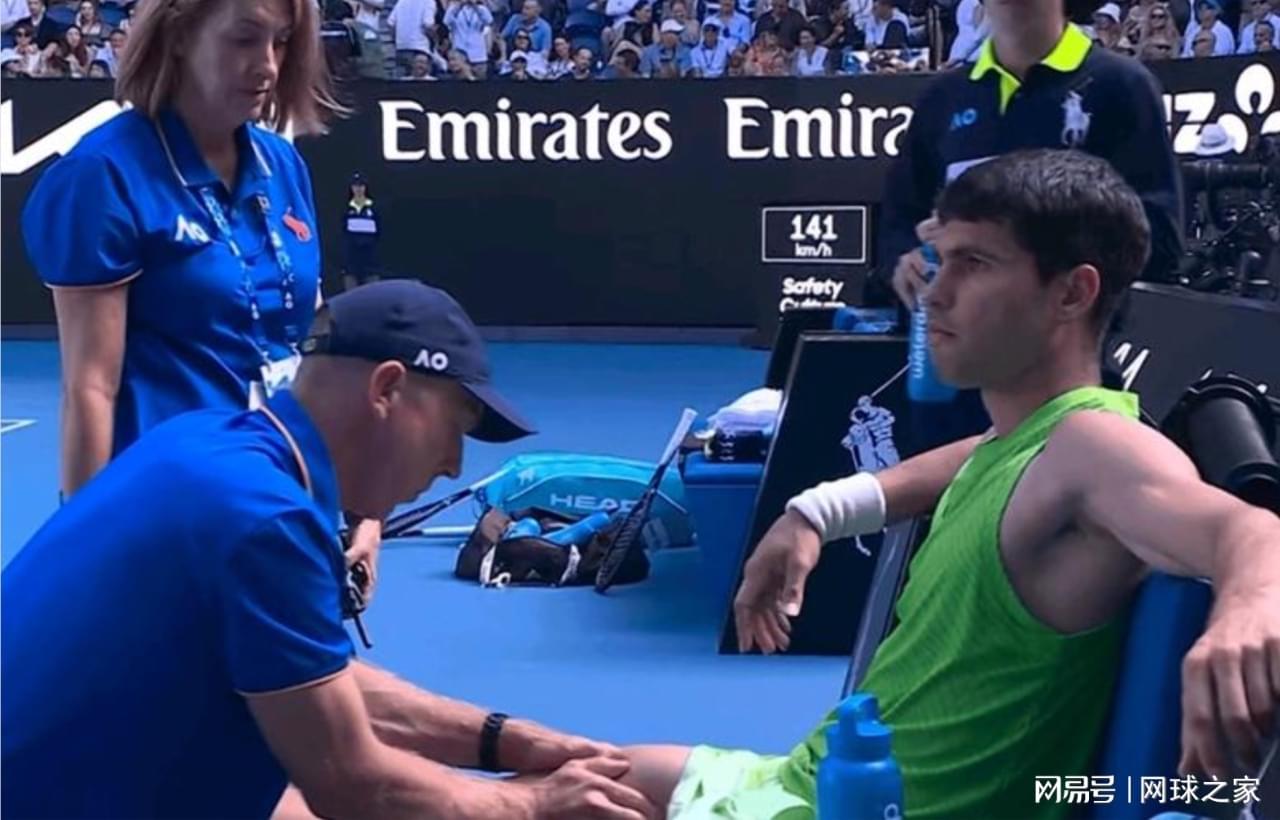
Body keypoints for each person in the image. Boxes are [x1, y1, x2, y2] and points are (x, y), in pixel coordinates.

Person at [601, 151, 1280, 819]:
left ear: (1072, 293)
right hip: (805, 782)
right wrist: (812, 514)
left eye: (975, 263)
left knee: (557, 799)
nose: (934, 293)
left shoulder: (1095, 447)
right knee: (578, 774)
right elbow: (959, 461)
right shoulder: (1024, 440)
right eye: (940, 259)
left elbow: (1250, 529)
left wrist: (1247, 610)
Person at [1, 281, 659, 820]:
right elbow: (349, 780)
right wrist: (531, 806)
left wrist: (506, 740)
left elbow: (315, 683)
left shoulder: (211, 447)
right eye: (454, 428)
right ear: (387, 391)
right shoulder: (263, 520)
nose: (454, 466)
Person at [20, 0, 335, 500]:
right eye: (244, 38)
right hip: (172, 505)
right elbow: (91, 389)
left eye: (280, 42)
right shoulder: (102, 175)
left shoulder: (283, 164)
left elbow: (313, 339)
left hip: (286, 494)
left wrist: (359, 504)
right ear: (181, 35)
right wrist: (87, 533)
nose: (269, 66)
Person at [869, 0, 1185, 452]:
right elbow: (900, 220)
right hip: (949, 386)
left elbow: (1158, 237)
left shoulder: (1120, 86)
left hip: (1063, 382)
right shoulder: (944, 97)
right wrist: (905, 262)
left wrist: (1018, 239)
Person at [341, 172, 381, 291]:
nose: (358, 189)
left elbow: (380, 233)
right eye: (355, 186)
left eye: (361, 186)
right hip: (351, 262)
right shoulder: (345, 208)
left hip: (370, 262)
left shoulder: (375, 208)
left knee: (372, 293)